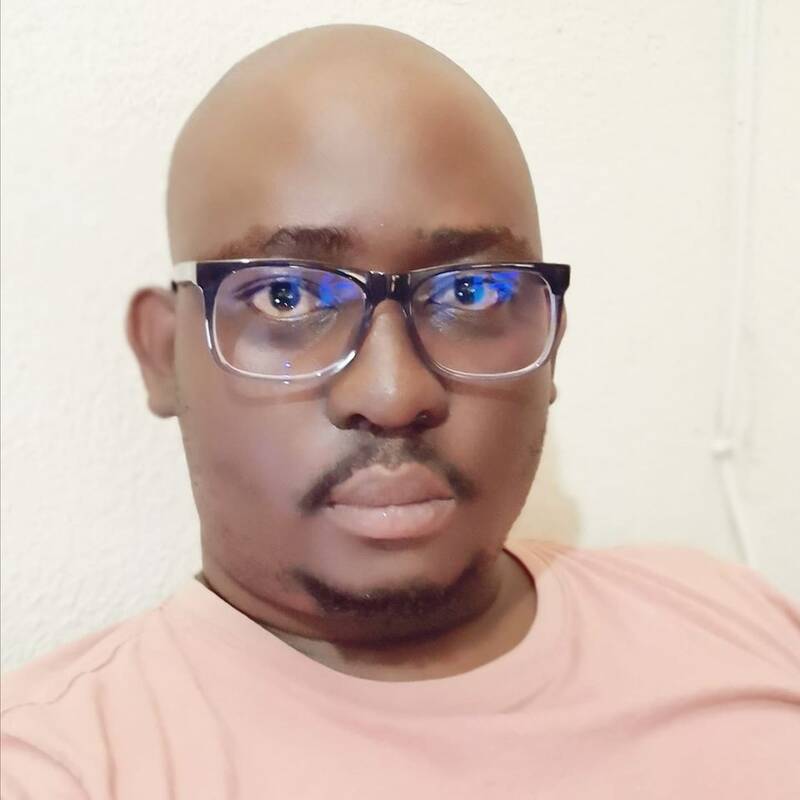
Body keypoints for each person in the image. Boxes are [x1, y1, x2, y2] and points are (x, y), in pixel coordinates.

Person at [1, 23, 798, 800]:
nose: (393, 394)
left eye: (471, 292)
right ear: (163, 354)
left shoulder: (741, 627)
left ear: (551, 342)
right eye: (287, 296)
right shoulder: (58, 766)